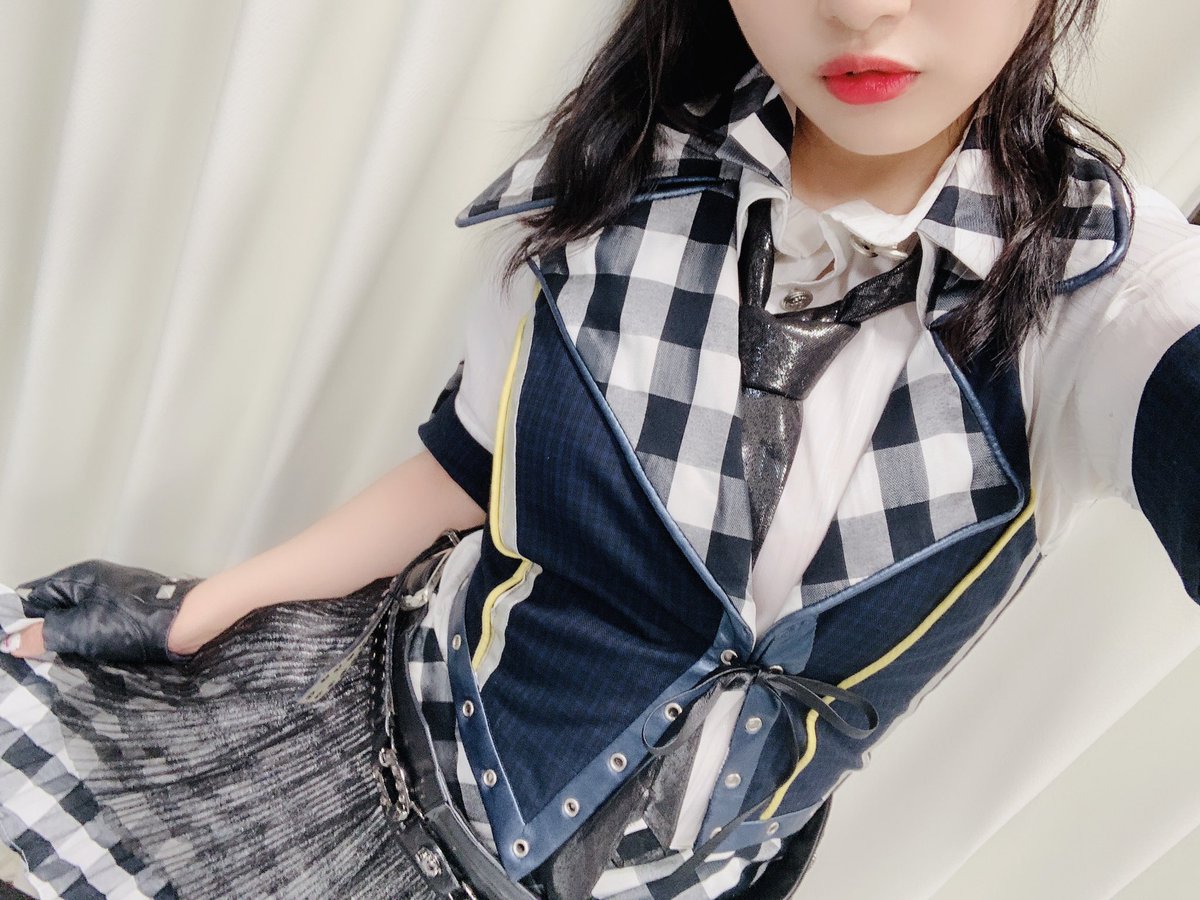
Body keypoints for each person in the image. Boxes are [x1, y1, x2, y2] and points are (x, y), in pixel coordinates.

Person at [3, 0, 1199, 897]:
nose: (861, 8)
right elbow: (475, 469)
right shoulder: (623, 171)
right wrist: (211, 607)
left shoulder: (1111, 301)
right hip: (356, 772)